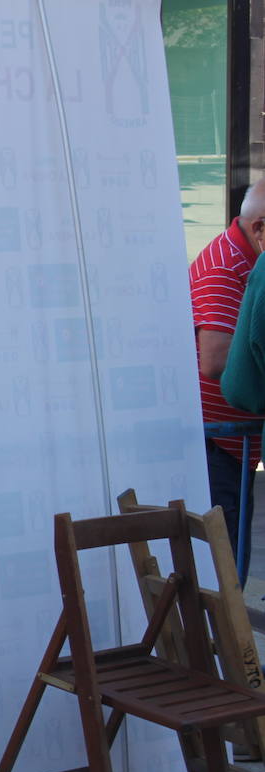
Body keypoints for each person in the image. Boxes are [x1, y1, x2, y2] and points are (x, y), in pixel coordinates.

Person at [189, 179, 265, 562]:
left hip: (233, 443)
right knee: (225, 564)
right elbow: (215, 360)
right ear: (260, 228)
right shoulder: (225, 264)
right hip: (218, 446)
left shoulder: (248, 258)